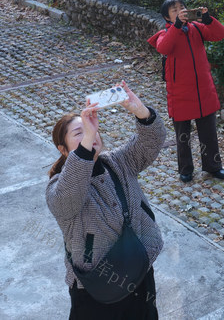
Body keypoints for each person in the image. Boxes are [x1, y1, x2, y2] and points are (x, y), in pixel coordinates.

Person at [47, 81, 166, 319]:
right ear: (63, 149)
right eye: (79, 133)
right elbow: (67, 198)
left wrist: (140, 111)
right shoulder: (57, 186)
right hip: (95, 287)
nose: (91, 135)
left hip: (138, 271)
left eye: (92, 129)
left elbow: (151, 142)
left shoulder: (119, 162)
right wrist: (86, 144)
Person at [148, 0, 224, 182]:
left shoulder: (197, 29)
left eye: (182, 7)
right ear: (167, 17)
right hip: (180, 93)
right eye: (174, 10)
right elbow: (163, 47)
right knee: (182, 137)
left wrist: (208, 20)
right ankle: (185, 169)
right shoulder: (166, 33)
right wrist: (176, 27)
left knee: (209, 133)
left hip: (203, 90)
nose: (180, 11)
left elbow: (220, 34)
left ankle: (213, 166)